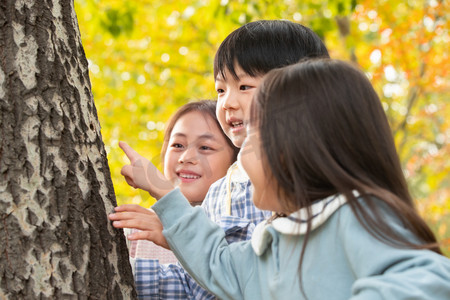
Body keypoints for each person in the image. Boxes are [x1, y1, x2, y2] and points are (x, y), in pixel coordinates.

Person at [111, 59, 450, 299]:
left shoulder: (355, 215)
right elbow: (217, 264)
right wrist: (170, 200)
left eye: (255, 136)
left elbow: (425, 281)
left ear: (301, 149)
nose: (241, 153)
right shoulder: (271, 241)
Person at [111, 20, 329, 299]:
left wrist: (164, 197)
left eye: (245, 86)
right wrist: (113, 270)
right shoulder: (219, 192)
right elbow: (200, 286)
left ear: (297, 91)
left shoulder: (309, 183)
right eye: (221, 90)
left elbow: (241, 272)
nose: (227, 103)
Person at [125, 100, 238, 264]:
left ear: (235, 161)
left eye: (205, 147)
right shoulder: (137, 229)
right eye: (178, 145)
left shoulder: (240, 230)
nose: (186, 158)